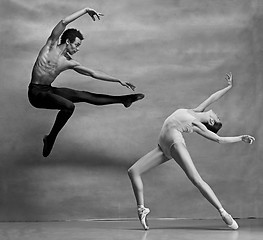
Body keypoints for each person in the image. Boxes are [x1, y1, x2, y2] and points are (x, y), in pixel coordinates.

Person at [128, 73, 255, 230]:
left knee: (196, 179)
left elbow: (218, 139)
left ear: (211, 121)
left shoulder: (198, 125)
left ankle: (223, 213)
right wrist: (229, 87)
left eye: (218, 117)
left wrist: (240, 138)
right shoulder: (195, 110)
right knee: (133, 171)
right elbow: (212, 98)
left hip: (175, 144)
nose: (217, 113)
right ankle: (141, 210)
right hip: (163, 147)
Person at [28, 7, 144, 157]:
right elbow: (64, 22)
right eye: (76, 45)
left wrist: (118, 80)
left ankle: (124, 99)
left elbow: (93, 73)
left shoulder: (69, 62)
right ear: (68, 41)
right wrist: (85, 11)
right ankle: (50, 138)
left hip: (48, 89)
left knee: (83, 95)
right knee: (69, 106)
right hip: (35, 93)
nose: (77, 49)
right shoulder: (50, 46)